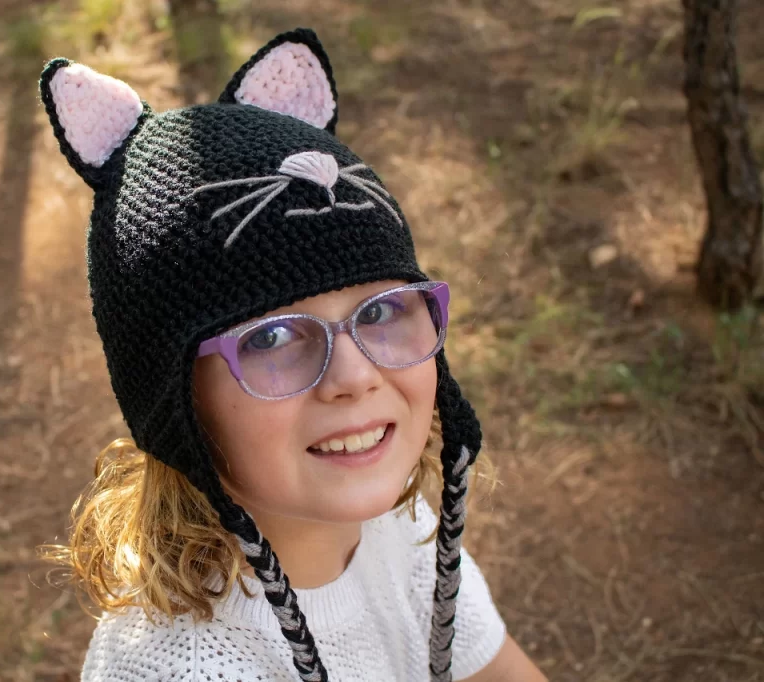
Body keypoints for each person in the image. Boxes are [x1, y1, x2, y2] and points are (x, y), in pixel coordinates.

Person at [39, 28, 548, 682]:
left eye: (382, 311)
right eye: (272, 338)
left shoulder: (399, 528)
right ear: (174, 405)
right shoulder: (187, 670)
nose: (355, 377)